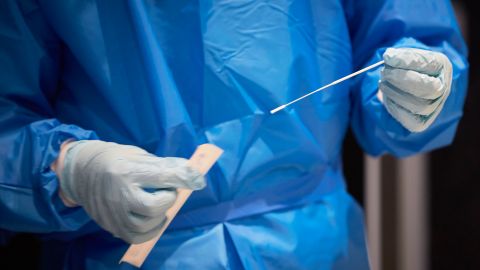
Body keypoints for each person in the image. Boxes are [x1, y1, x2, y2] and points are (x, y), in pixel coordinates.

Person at [0, 0, 468, 269]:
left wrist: (412, 87)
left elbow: (411, 35)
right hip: (123, 250)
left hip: (312, 246)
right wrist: (67, 168)